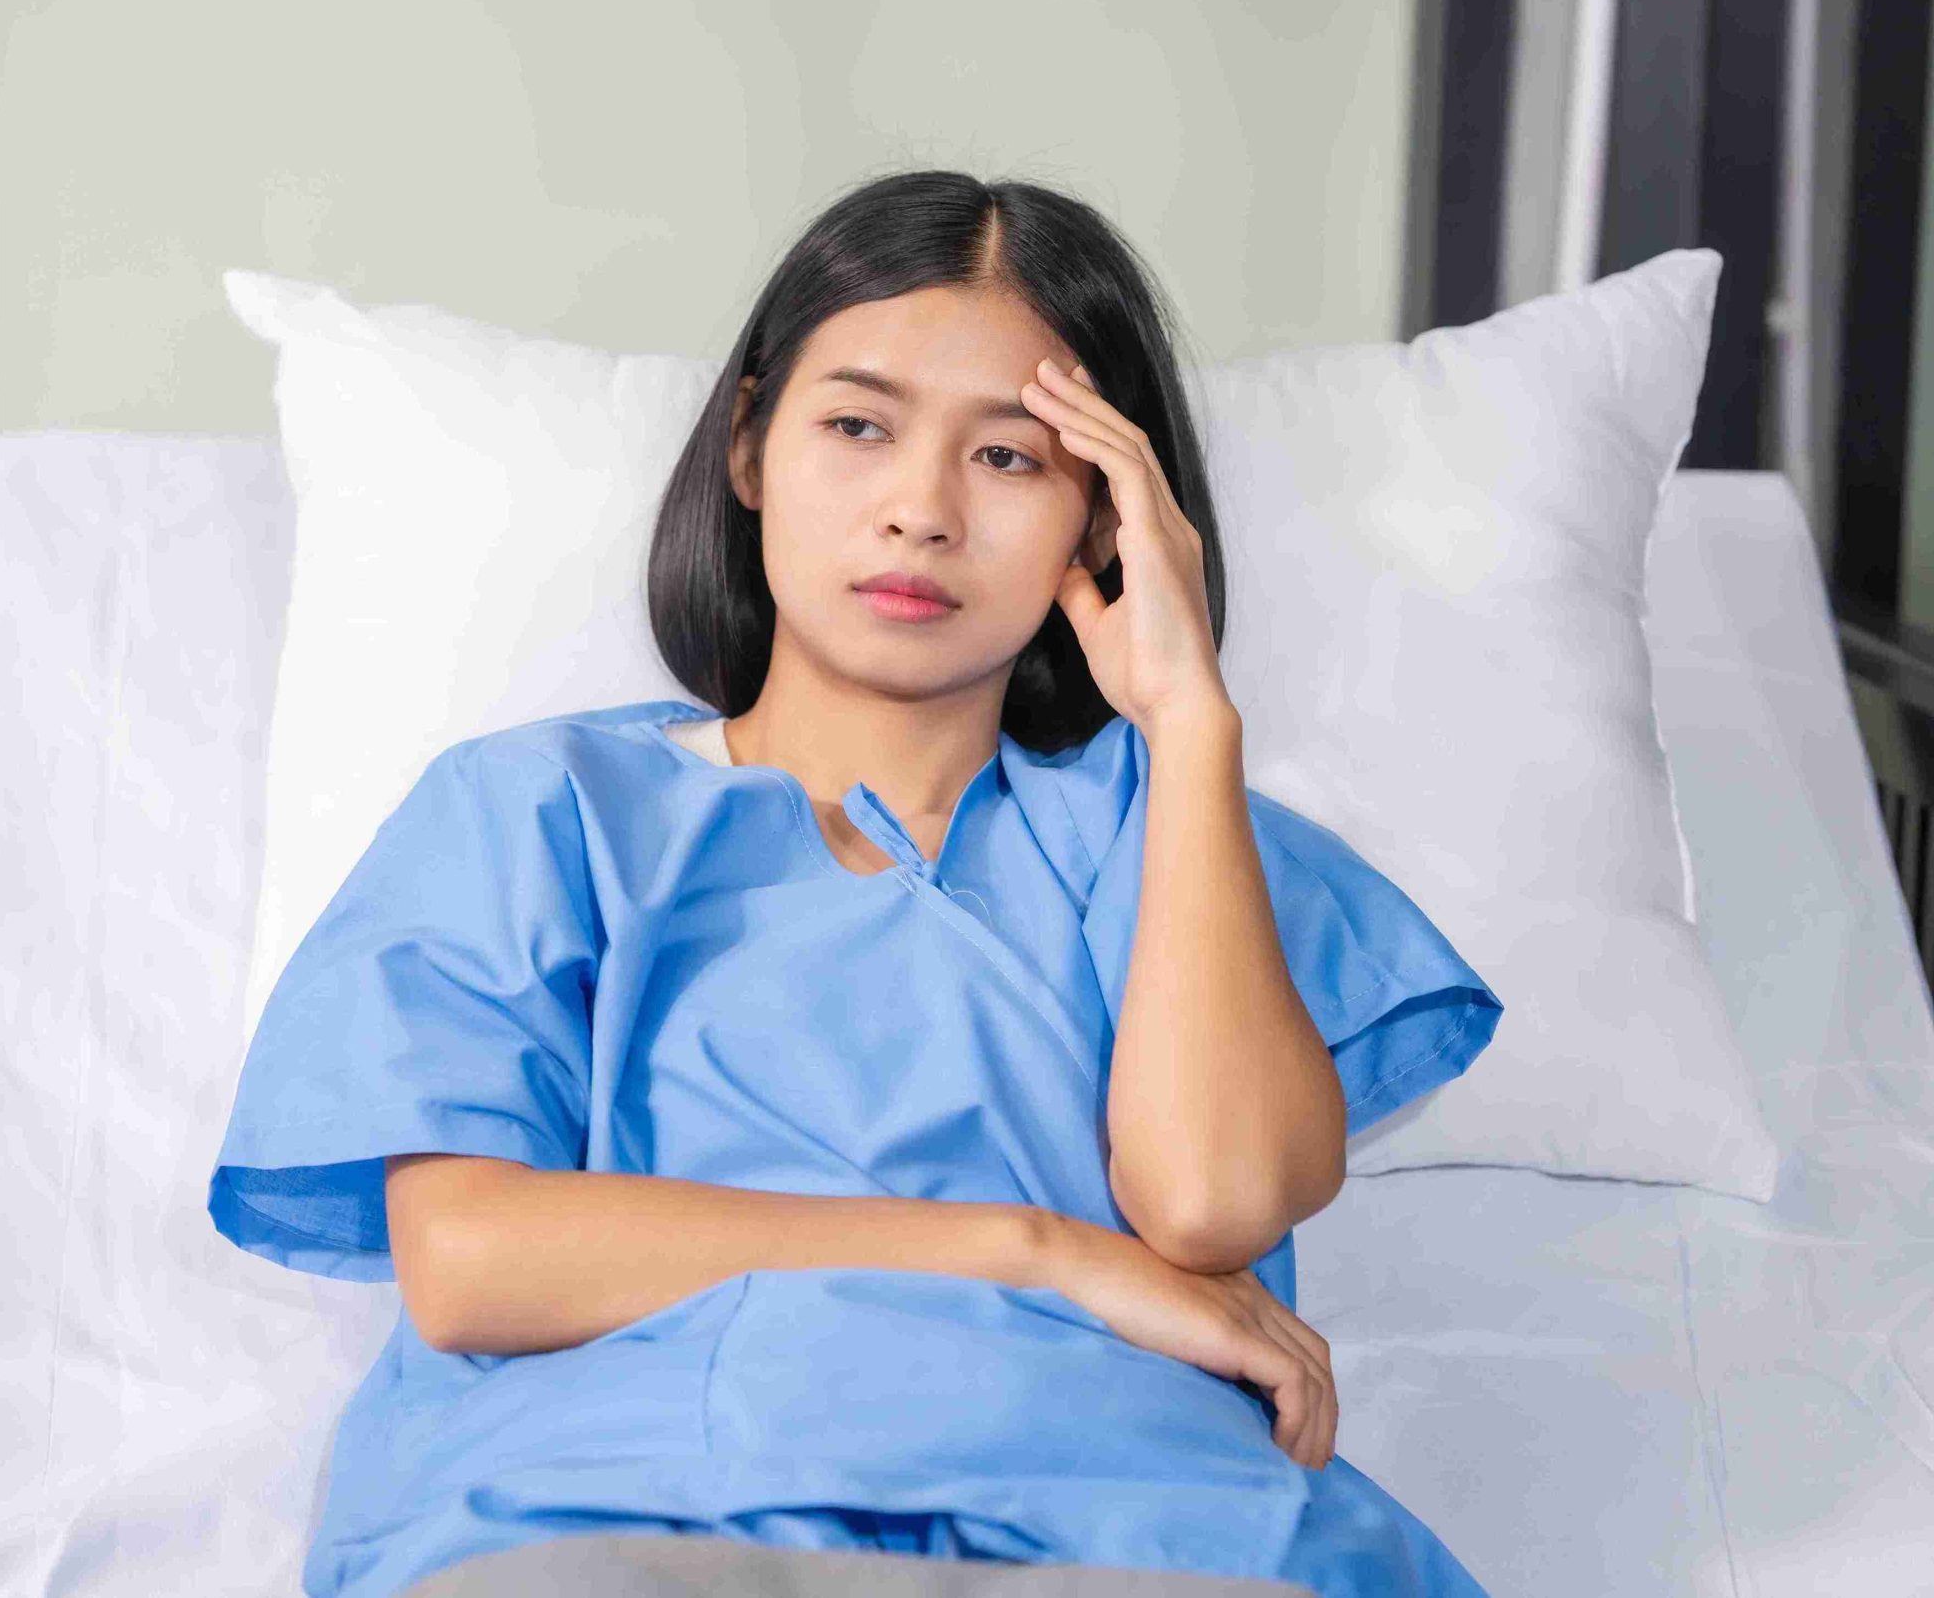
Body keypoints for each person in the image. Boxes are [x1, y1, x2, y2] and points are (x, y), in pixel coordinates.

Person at [209, 170, 1505, 1598]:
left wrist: (1192, 724)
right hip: (609, 1505)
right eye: (857, 427)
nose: (920, 511)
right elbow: (466, 1257)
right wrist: (1036, 1251)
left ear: (1105, 524)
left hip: (1133, 1524)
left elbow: (1216, 1204)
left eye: (1009, 458)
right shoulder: (541, 812)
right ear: (751, 445)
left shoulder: (1173, 839)